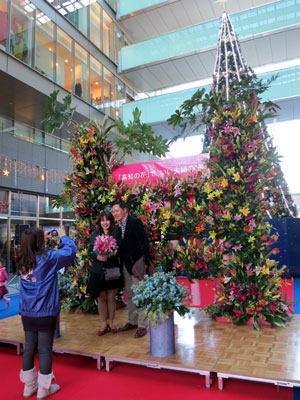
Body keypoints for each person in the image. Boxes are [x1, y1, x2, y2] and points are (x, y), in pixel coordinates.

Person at [17, 227, 76, 399]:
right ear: (38, 242)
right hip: (45, 311)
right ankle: (44, 388)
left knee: (29, 348)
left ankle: (29, 387)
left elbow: (31, 247)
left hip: (27, 312)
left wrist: (37, 238)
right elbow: (70, 252)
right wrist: (63, 235)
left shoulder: (21, 260)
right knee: (44, 350)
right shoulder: (48, 259)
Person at [111, 200, 150, 339]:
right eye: (113, 211)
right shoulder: (118, 227)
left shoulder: (134, 222)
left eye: (117, 211)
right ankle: (132, 321)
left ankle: (142, 325)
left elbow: (144, 242)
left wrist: (146, 262)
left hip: (137, 264)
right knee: (130, 294)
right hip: (125, 266)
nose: (115, 213)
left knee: (140, 295)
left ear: (125, 210)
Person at [87, 211, 123, 335]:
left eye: (107, 220)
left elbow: (120, 249)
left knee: (111, 297)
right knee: (101, 298)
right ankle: (103, 324)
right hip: (98, 270)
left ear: (111, 221)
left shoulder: (116, 232)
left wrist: (111, 253)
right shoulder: (95, 234)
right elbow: (90, 252)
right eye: (102, 220)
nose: (105, 223)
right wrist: (98, 257)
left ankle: (112, 323)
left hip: (112, 268)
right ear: (99, 222)